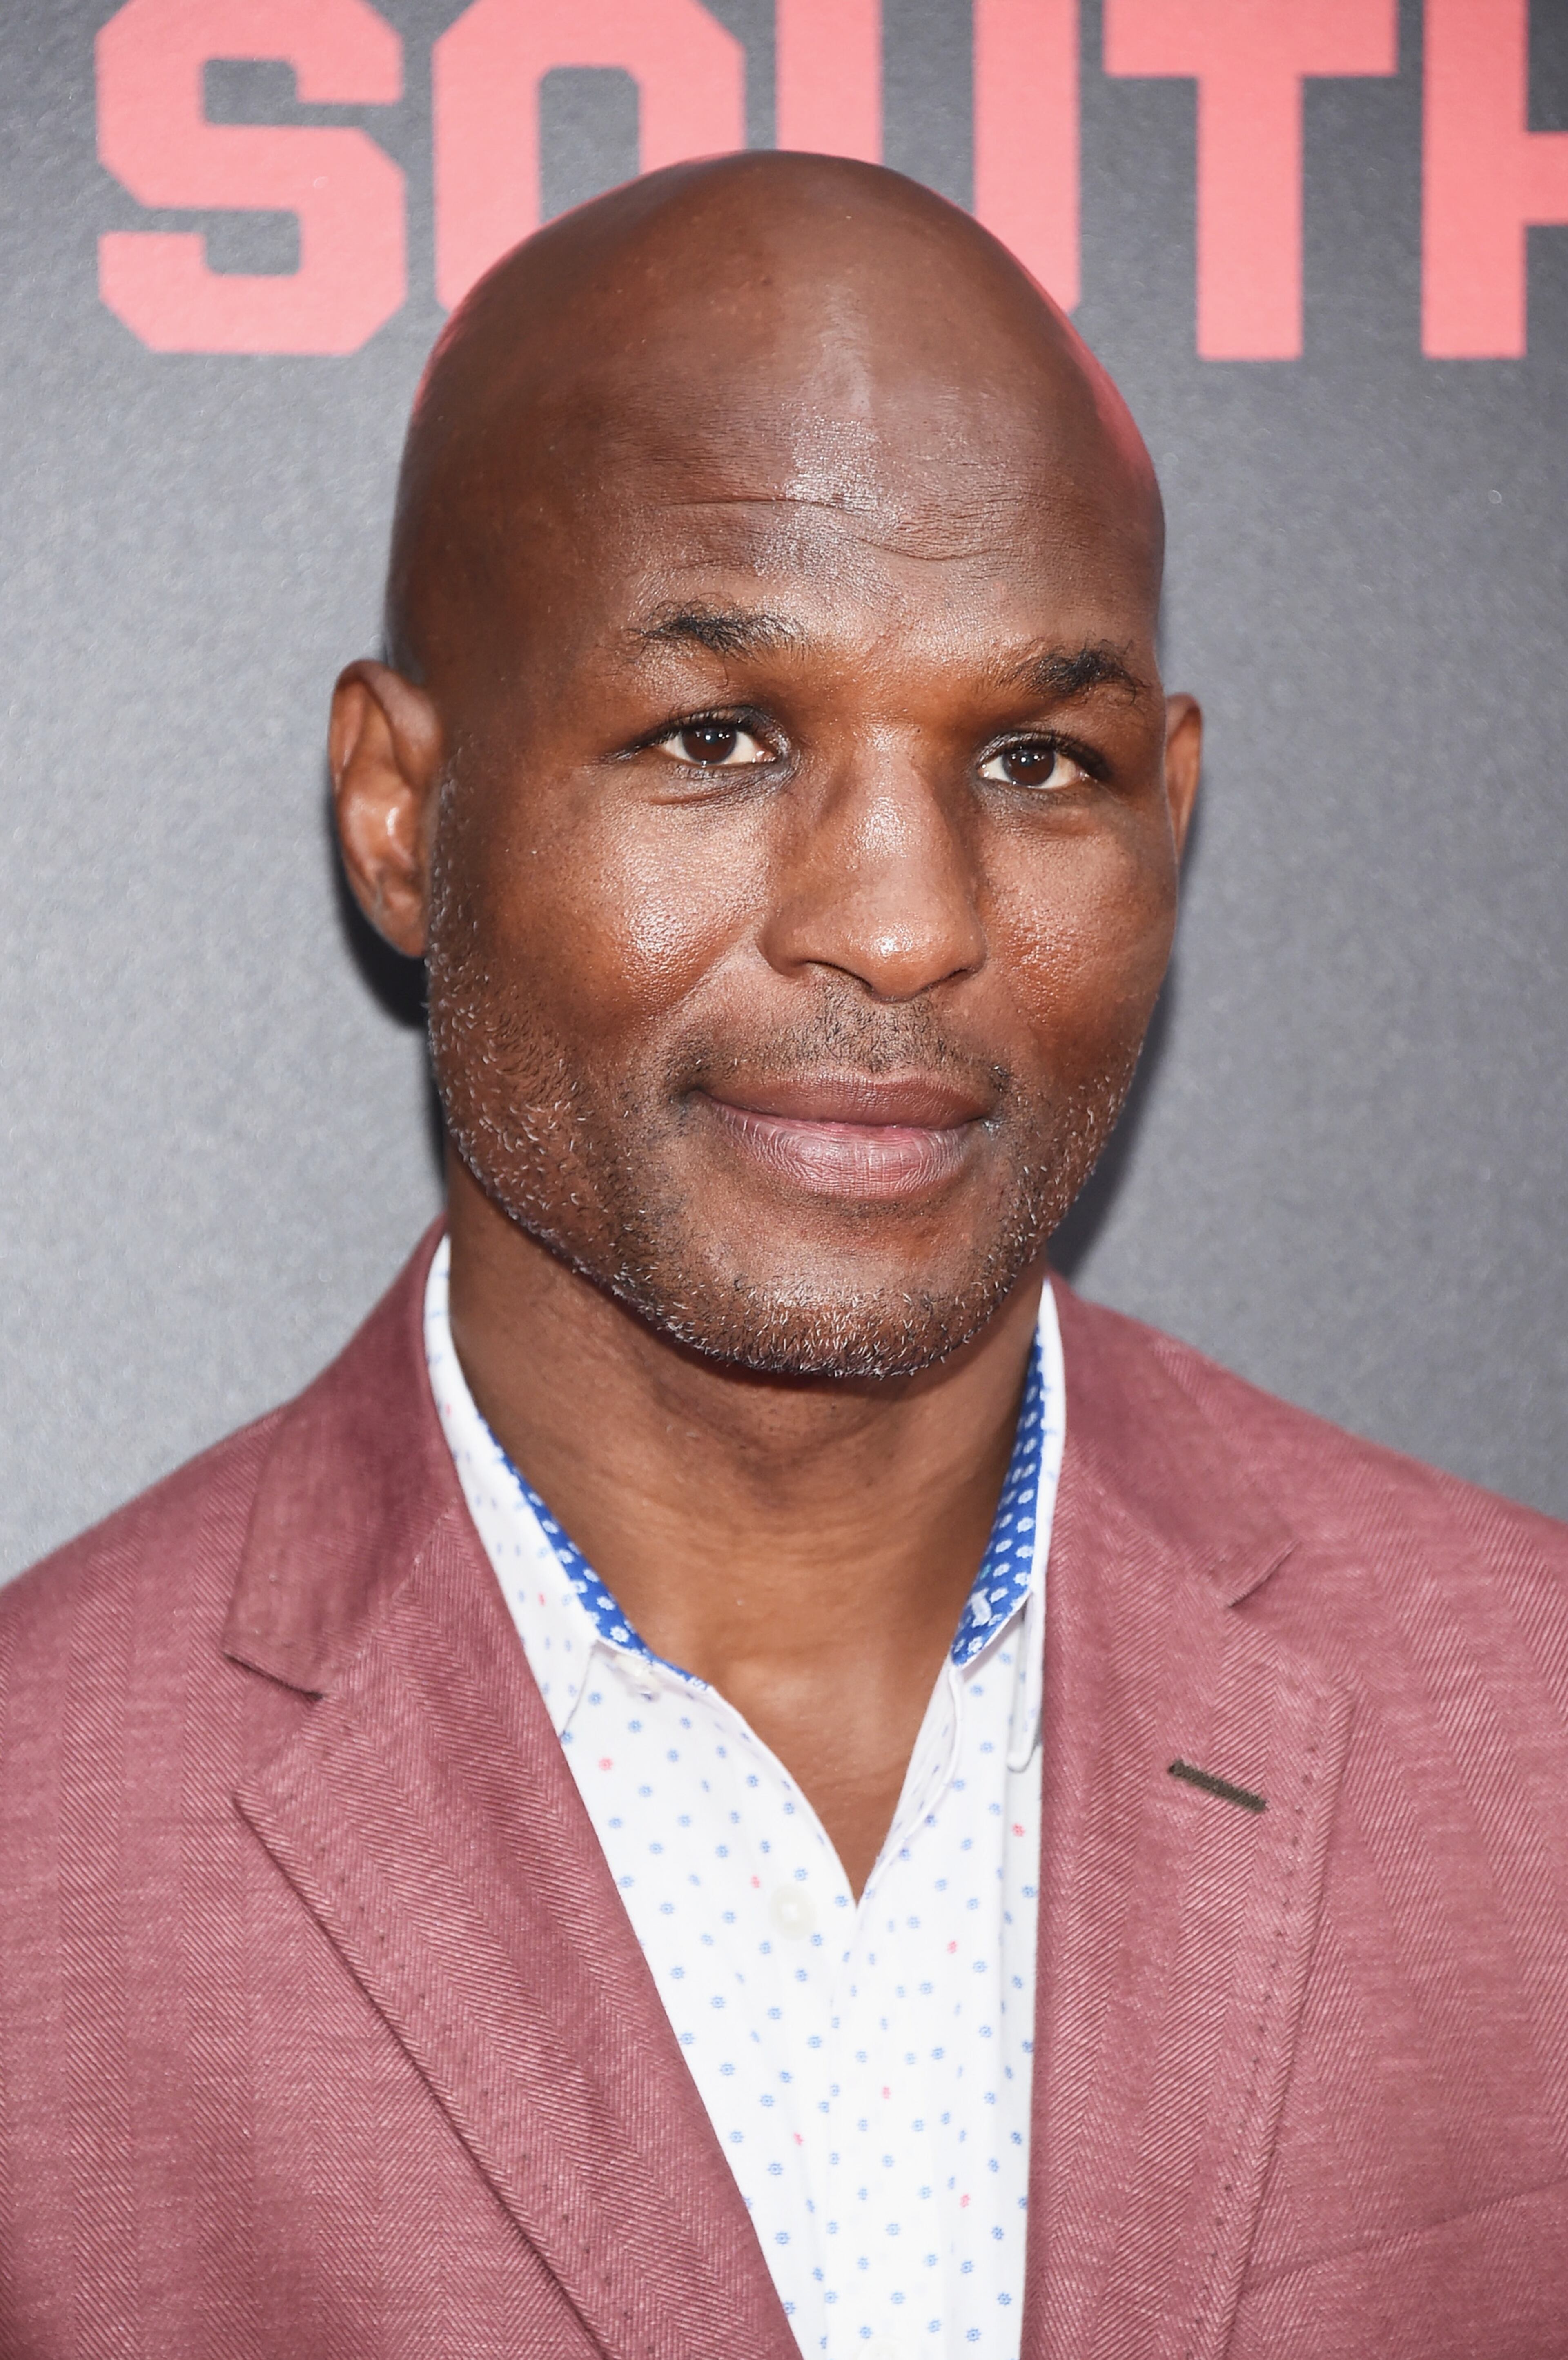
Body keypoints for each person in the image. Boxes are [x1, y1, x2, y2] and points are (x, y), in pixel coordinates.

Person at [3, 151, 1567, 2360]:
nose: (905, 923)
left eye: (1036, 760)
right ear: (399, 811)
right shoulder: (39, 1852)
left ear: (1175, 811)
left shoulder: (1535, 1739)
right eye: (718, 740)